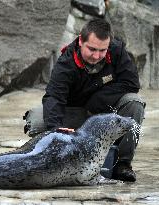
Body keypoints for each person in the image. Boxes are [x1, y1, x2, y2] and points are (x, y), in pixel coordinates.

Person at [23, 18, 145, 182]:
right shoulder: (66, 63)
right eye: (92, 49)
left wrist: (97, 102)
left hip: (106, 112)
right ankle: (54, 160)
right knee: (36, 119)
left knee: (135, 103)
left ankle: (122, 163)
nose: (96, 55)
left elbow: (131, 83)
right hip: (76, 115)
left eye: (102, 50)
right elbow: (54, 97)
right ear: (81, 41)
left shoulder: (117, 50)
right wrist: (56, 132)